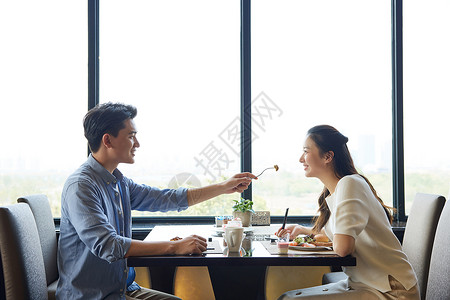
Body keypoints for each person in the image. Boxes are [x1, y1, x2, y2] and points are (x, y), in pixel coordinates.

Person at [56, 102, 256, 300]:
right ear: (107, 140)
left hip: (124, 289)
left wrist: (223, 187)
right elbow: (109, 246)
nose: (137, 144)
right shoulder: (81, 186)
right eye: (131, 136)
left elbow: (167, 199)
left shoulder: (119, 182)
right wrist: (175, 247)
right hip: (92, 296)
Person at [276, 125, 419, 300]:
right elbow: (339, 236)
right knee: (286, 297)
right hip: (365, 283)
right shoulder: (338, 190)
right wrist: (304, 231)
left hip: (392, 290)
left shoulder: (349, 184)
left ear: (328, 156)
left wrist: (319, 236)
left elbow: (343, 247)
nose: (300, 159)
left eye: (306, 151)